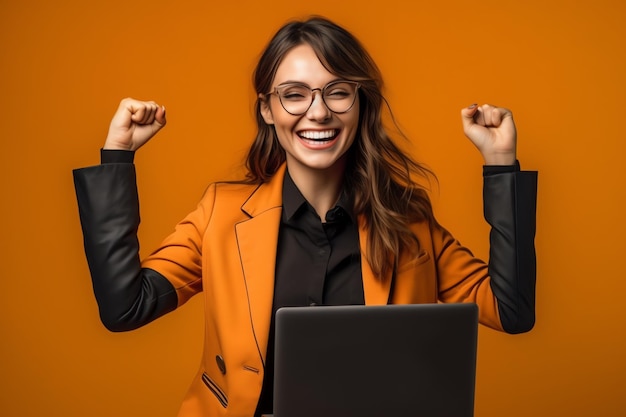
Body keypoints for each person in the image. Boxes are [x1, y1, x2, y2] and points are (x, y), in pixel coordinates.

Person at [73, 16, 537, 417]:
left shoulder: (407, 219)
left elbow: (510, 312)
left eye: (337, 92)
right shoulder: (221, 214)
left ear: (360, 103)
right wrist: (118, 157)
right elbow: (125, 309)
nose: (318, 112)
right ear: (268, 109)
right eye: (294, 94)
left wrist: (501, 163)